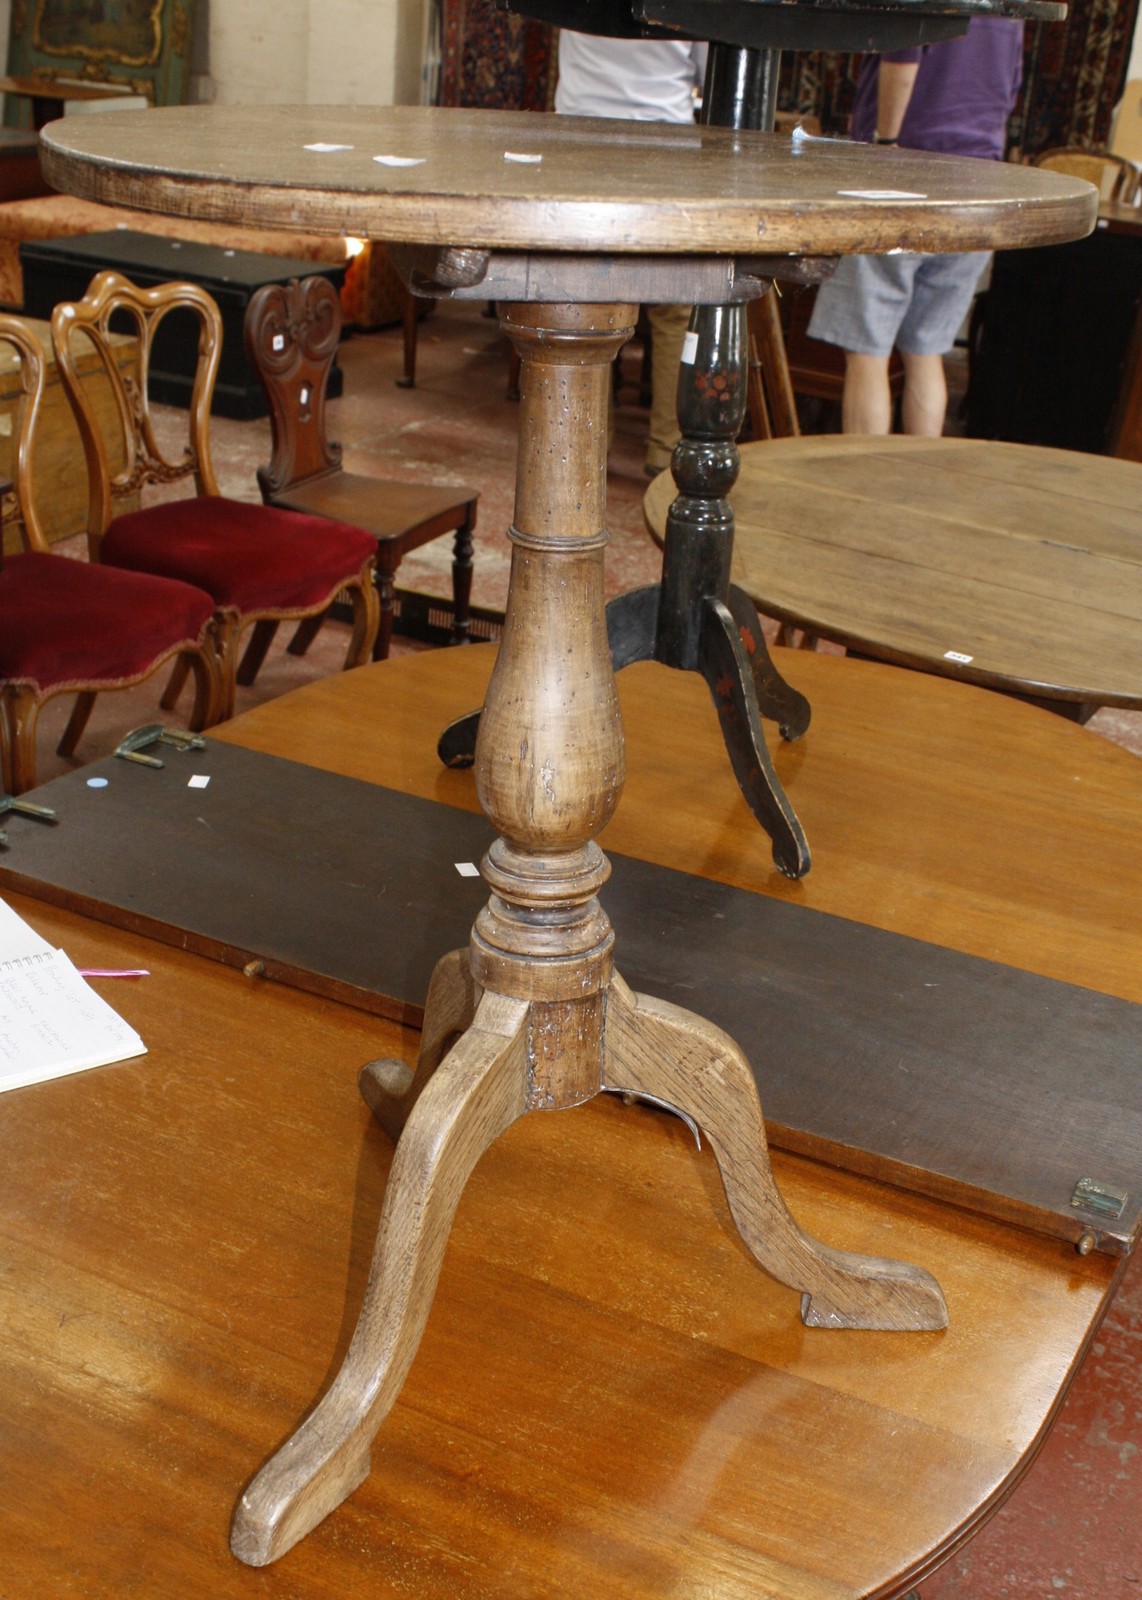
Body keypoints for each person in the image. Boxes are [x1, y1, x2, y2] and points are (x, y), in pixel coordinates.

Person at [807, 18, 1025, 435]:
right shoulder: (1011, 12)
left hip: (903, 172)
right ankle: (916, 483)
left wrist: (887, 142)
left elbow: (902, 52)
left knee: (868, 351)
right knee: (927, 351)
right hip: (979, 179)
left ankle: (864, 490)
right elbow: (1009, 87)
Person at [555, 31, 707, 473]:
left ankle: (583, 444)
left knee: (585, 302)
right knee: (674, 308)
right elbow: (711, 68)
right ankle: (667, 452)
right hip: (664, 143)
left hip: (580, 137)